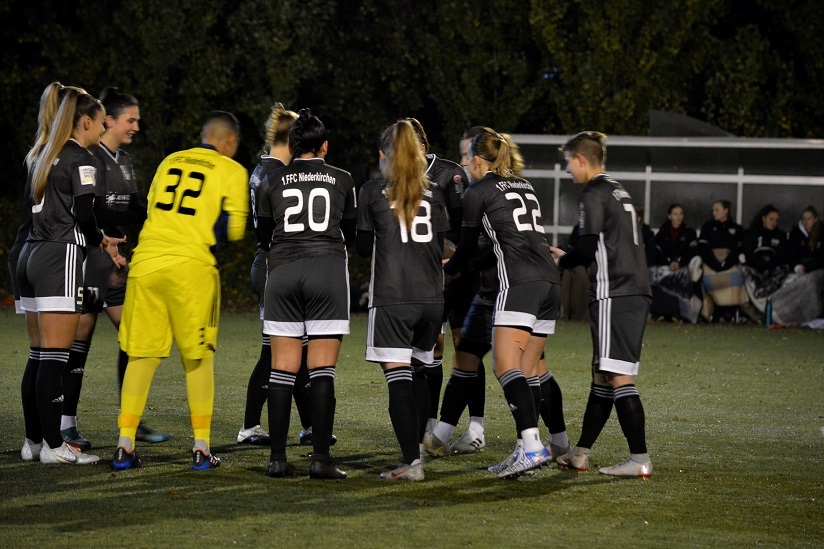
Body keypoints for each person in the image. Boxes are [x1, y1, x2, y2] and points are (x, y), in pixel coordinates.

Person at [113, 111, 249, 471]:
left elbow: (151, 209)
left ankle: (124, 445)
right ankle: (201, 448)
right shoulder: (232, 170)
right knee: (198, 358)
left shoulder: (170, 160)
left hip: (146, 263)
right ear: (230, 142)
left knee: (142, 356)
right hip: (190, 268)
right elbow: (233, 230)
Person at [443, 128, 560, 478]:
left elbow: (464, 249)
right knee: (527, 369)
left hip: (519, 283)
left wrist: (448, 267)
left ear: (479, 161)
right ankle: (527, 449)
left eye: (467, 159)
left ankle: (533, 445)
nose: (465, 165)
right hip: (550, 282)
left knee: (504, 365)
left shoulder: (478, 192)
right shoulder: (525, 186)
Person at [17, 87, 125, 465]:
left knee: (38, 354)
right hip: (58, 255)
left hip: (29, 252)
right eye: (100, 122)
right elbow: (83, 214)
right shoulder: (82, 157)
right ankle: (53, 446)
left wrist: (98, 239)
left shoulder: (42, 152)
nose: (103, 128)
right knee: (55, 357)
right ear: (85, 122)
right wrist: (102, 241)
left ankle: (33, 442)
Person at [59, 87, 170, 451]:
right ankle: (66, 424)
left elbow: (133, 209)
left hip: (118, 265)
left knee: (135, 338)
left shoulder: (123, 160)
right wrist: (111, 235)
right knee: (80, 341)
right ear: (108, 120)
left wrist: (162, 214)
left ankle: (131, 419)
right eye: (130, 120)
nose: (136, 126)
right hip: (91, 261)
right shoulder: (89, 158)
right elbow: (92, 212)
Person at [257, 108, 355, 479]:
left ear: (293, 145)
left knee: (282, 369)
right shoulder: (343, 178)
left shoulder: (271, 179)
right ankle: (319, 459)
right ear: (325, 146)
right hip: (326, 271)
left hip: (282, 271)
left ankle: (278, 459)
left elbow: (263, 236)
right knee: (321, 370)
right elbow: (349, 231)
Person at [550, 131, 653, 478]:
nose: (567, 169)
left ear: (581, 159)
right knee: (603, 375)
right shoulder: (617, 189)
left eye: (568, 161)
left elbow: (586, 247)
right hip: (631, 290)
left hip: (616, 293)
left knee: (618, 377)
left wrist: (562, 260)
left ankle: (639, 458)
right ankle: (580, 453)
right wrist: (569, 251)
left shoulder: (593, 193)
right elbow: (591, 240)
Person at [356, 119, 450, 480]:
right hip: (432, 298)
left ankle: (411, 462)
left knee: (398, 376)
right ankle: (416, 449)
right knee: (422, 369)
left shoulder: (372, 190)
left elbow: (365, 249)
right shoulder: (436, 191)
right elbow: (442, 244)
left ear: (384, 155)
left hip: (394, 296)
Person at [405, 118, 467, 438]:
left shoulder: (448, 173)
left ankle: (463, 425)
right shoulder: (402, 178)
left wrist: (450, 256)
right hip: (416, 277)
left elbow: (463, 225)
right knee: (423, 351)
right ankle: (425, 423)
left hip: (448, 274)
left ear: (424, 147)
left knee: (452, 347)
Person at [648, 203, 701, 322]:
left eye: (681, 214)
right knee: (653, 275)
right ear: (669, 216)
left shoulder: (689, 232)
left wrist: (679, 263)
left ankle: (682, 315)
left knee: (686, 277)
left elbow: (692, 251)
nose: (679, 217)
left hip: (683, 267)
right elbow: (658, 252)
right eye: (675, 214)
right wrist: (669, 262)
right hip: (666, 267)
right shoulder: (662, 232)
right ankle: (661, 313)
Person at [697, 200, 747, 322]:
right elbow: (703, 249)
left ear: (726, 211)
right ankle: (715, 310)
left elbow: (738, 250)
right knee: (706, 279)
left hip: (729, 263)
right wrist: (715, 264)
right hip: (711, 263)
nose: (714, 213)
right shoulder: (707, 227)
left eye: (717, 210)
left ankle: (729, 311)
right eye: (713, 210)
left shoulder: (737, 229)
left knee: (737, 276)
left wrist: (725, 263)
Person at [788, 206, 823, 275]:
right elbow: (790, 253)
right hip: (799, 269)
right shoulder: (795, 233)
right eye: (803, 219)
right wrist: (797, 267)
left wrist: (808, 267)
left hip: (819, 269)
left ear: (815, 219)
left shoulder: (822, 232)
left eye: (809, 219)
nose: (806, 221)